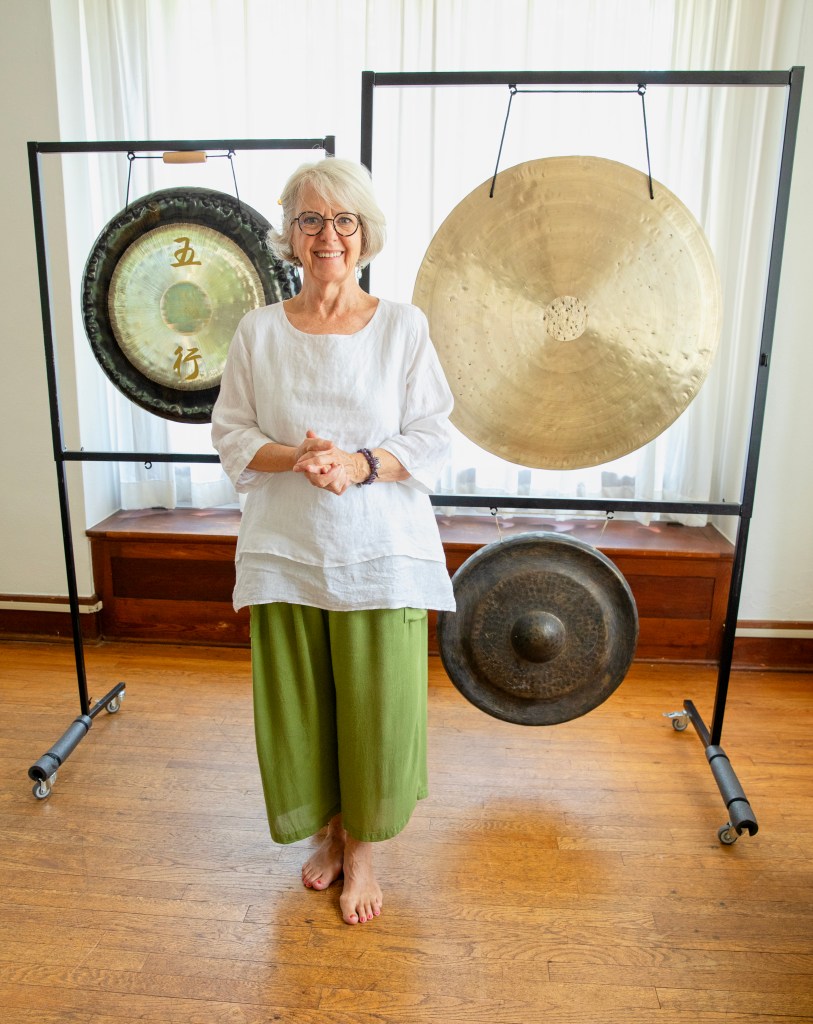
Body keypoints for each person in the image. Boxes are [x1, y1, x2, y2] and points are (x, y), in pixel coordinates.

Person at [211, 158, 455, 926]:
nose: (328, 235)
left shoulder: (402, 326)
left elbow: (432, 434)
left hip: (379, 551)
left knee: (375, 707)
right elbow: (231, 433)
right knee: (304, 706)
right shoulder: (257, 331)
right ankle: (325, 831)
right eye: (310, 219)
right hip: (288, 545)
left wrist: (359, 464)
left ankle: (364, 850)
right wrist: (300, 457)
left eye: (343, 219)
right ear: (290, 234)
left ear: (364, 233)